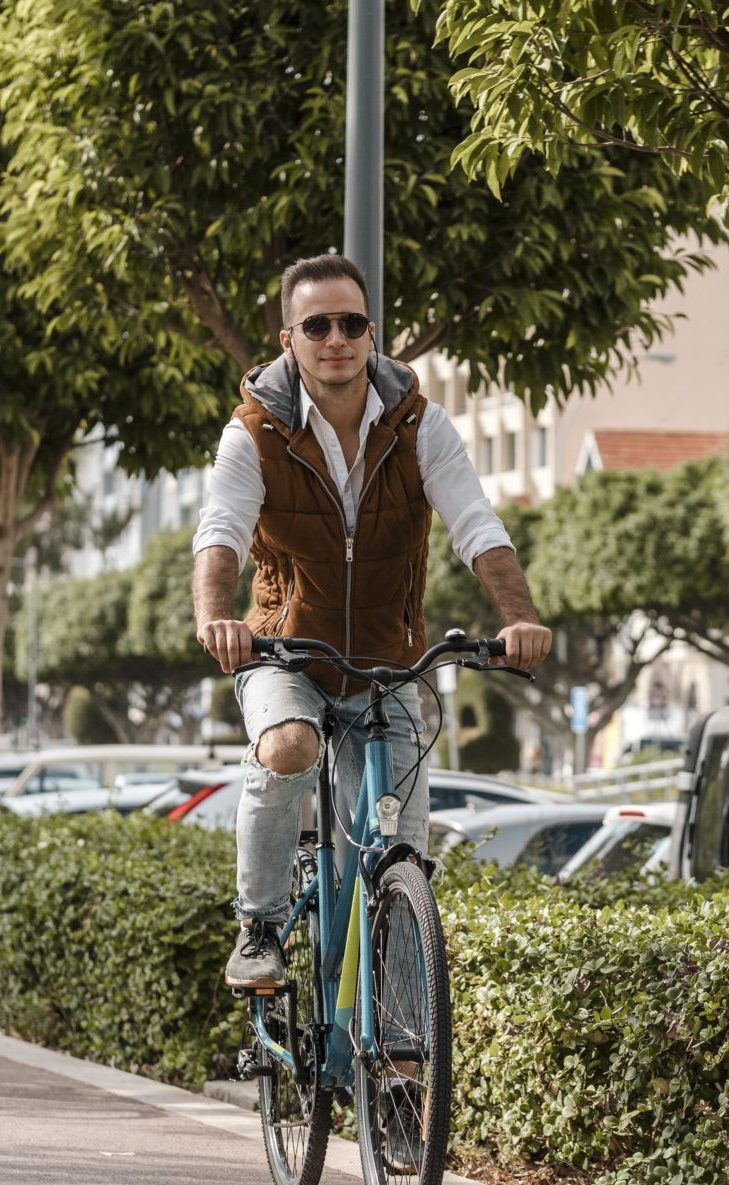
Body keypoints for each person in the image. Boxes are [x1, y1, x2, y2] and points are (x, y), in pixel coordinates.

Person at [192, 254, 553, 990]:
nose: (336, 338)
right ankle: (258, 926)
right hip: (283, 653)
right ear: (289, 339)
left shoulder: (419, 424)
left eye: (350, 323)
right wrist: (215, 618)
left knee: (398, 859)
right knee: (288, 746)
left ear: (372, 334)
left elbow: (475, 524)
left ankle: (396, 1065)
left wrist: (520, 618)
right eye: (316, 324)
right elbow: (220, 534)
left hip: (389, 662)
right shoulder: (254, 432)